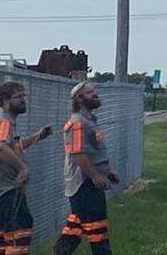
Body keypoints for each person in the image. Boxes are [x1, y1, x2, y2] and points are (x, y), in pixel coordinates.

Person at [0, 81, 53, 255]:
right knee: (19, 231)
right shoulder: (4, 121)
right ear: (5, 99)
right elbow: (0, 146)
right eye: (18, 97)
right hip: (6, 189)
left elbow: (12, 145)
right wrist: (22, 168)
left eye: (23, 96)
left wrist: (37, 136)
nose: (23, 100)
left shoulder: (0, 119)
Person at [54, 81, 119, 254]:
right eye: (90, 93)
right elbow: (78, 153)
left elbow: (91, 153)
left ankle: (60, 251)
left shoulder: (88, 120)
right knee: (97, 230)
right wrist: (95, 176)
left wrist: (106, 172)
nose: (95, 94)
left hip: (90, 181)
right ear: (80, 99)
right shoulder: (78, 122)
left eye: (94, 91)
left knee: (77, 226)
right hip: (84, 184)